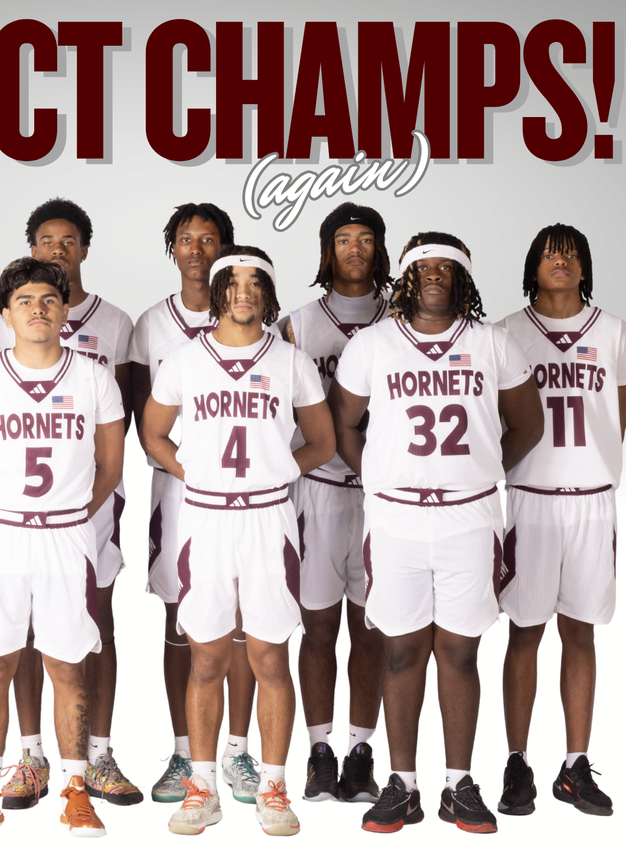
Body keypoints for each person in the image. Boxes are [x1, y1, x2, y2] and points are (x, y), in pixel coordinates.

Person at [329, 232, 544, 835]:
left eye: (446, 268)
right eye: (422, 267)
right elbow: (345, 423)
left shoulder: (492, 342)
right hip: (396, 517)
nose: (433, 275)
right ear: (404, 277)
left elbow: (527, 423)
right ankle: (404, 784)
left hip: (468, 517)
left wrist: (478, 471)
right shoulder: (372, 344)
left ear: (464, 279)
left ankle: (458, 783)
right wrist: (378, 478)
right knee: (399, 650)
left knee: (459, 650)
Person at [142, 246, 335, 836]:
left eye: (256, 282)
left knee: (269, 655)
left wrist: (275, 472)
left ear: (268, 294)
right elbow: (153, 435)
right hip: (205, 519)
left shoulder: (292, 361)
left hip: (267, 519)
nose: (244, 292)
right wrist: (193, 473)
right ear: (220, 289)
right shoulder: (183, 360)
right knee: (206, 656)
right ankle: (203, 787)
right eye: (234, 281)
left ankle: (273, 786)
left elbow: (322, 443)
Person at [0, 256, 124, 838]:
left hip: (66, 535)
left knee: (68, 664)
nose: (38, 309)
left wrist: (67, 514)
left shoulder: (94, 376)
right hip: (0, 535)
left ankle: (76, 789)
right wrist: (3, 517)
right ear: (5, 313)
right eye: (24, 301)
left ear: (66, 309)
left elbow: (111, 466)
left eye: (49, 299)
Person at [0, 198, 140, 807]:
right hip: (26, 505)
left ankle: (98, 754)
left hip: (90, 500)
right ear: (32, 248)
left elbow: (123, 418)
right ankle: (31, 755)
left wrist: (92, 491)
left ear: (84, 249)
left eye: (69, 240)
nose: (57, 249)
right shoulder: (16, 316)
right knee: (28, 625)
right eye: (46, 240)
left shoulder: (116, 323)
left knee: (94, 624)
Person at [497, 224, 626, 817]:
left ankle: (574, 767)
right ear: (533, 267)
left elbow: (616, 420)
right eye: (550, 254)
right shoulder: (506, 333)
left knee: (581, 631)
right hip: (530, 495)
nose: (562, 262)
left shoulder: (614, 332)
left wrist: (592, 470)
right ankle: (518, 762)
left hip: (591, 499)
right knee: (524, 631)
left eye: (572, 254)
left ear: (585, 268)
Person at [130, 204, 262, 804]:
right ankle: (185, 751)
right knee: (181, 620)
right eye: (186, 239)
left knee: (240, 619)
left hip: (246, 497)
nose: (196, 248)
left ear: (228, 252)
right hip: (182, 492)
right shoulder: (152, 324)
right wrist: (194, 469)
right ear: (172, 248)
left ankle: (236, 751)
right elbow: (143, 420)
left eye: (210, 239)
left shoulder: (255, 317)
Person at [278, 202, 391, 802]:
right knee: (318, 627)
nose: (354, 248)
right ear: (327, 251)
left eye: (365, 238)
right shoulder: (298, 322)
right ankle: (320, 752)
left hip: (384, 496)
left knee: (371, 629)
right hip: (319, 489)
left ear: (380, 249)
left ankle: (361, 751)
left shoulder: (402, 317)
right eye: (342, 239)